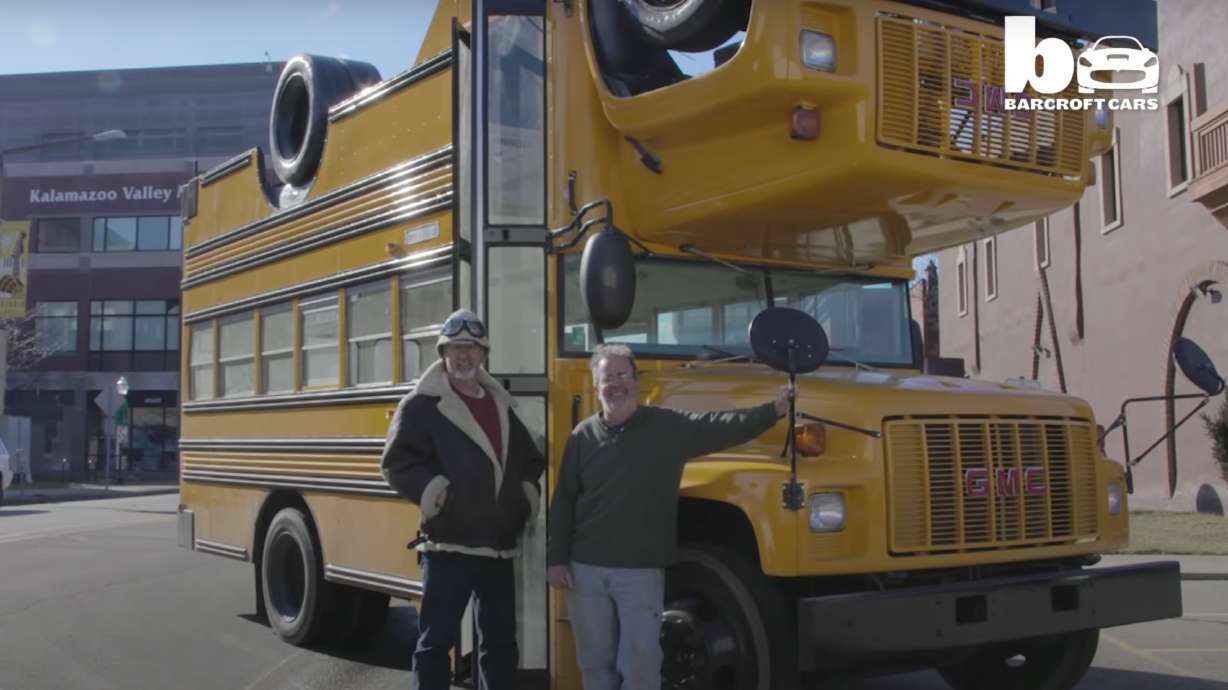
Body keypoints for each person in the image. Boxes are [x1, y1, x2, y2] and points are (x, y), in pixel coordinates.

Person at [546, 343, 790, 690]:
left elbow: (722, 426)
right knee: (595, 664)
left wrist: (773, 411)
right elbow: (564, 500)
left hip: (640, 571)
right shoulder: (582, 436)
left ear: (635, 380)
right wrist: (556, 559)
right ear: (596, 385)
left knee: (642, 664)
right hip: (586, 572)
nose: (616, 384)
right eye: (607, 377)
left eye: (622, 375)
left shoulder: (667, 428)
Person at [381, 309, 546, 690]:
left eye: (472, 347)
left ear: (484, 354)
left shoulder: (500, 404)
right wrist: (437, 494)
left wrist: (524, 499)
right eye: (456, 347)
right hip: (447, 547)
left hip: (498, 549)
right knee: (435, 644)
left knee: (501, 645)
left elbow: (531, 461)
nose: (464, 355)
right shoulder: (422, 405)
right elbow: (396, 463)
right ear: (443, 352)